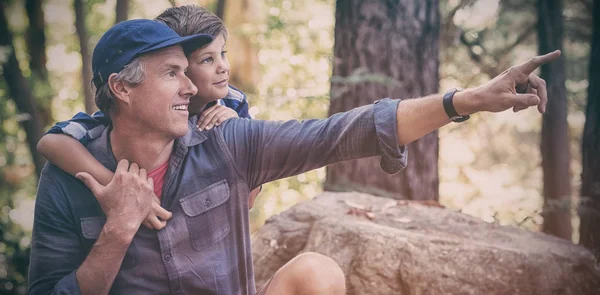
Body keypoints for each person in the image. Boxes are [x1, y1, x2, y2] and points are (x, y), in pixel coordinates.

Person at [28, 16, 559, 295]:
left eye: (188, 70)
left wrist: (466, 99)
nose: (191, 86)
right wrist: (118, 229)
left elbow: (343, 132)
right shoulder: (67, 178)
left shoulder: (228, 140)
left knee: (317, 271)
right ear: (122, 89)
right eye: (173, 73)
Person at [36, 6, 262, 231]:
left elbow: (247, 199)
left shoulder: (233, 102)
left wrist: (237, 128)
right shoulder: (127, 116)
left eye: (223, 54)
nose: (223, 67)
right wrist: (115, 184)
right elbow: (51, 142)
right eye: (207, 60)